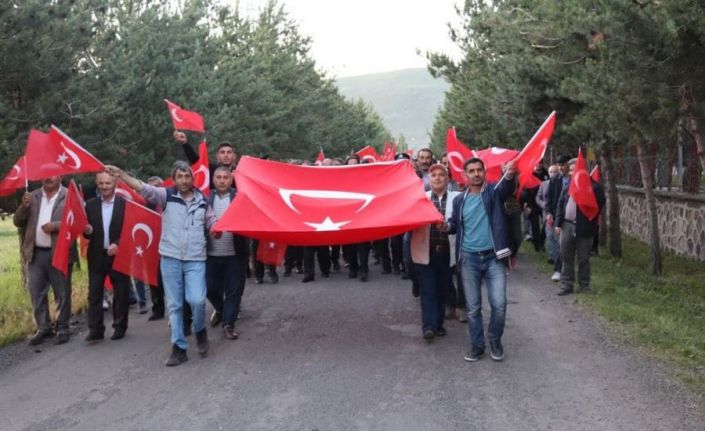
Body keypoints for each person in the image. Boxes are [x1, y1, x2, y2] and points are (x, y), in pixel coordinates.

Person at [106, 161, 216, 366]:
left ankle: (200, 331)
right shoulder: (166, 196)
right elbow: (142, 187)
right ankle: (179, 347)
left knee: (197, 300)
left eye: (187, 176)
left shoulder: (203, 200)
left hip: (195, 259)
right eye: (180, 177)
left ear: (192, 178)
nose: (184, 180)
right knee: (174, 305)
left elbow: (211, 221)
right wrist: (121, 174)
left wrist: (216, 229)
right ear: (173, 179)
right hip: (170, 257)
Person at [447, 157, 516, 362]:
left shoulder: (493, 193)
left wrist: (510, 174)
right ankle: (477, 346)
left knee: (499, 304)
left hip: (493, 258)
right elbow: (454, 224)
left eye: (479, 170)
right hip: (469, 259)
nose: (476, 174)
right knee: (473, 307)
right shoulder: (460, 200)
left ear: (484, 172)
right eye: (472, 171)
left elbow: (507, 187)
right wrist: (446, 227)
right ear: (465, 175)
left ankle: (495, 339)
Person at [13, 176, 76, 345]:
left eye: (52, 175)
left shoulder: (70, 196)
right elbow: (18, 222)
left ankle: (63, 328)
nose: (48, 178)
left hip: (60, 253)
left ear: (60, 176)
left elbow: (77, 223)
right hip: (35, 253)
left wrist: (56, 226)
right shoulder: (32, 196)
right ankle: (44, 327)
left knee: (62, 293)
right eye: (45, 175)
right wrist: (23, 207)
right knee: (36, 293)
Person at [410, 164, 460, 340]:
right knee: (428, 289)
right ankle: (428, 326)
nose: (437, 177)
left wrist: (449, 226)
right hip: (426, 251)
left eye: (441, 174)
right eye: (433, 175)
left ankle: (438, 324)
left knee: (442, 289)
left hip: (447, 252)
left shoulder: (457, 198)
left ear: (448, 179)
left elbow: (462, 223)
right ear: (428, 180)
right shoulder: (420, 199)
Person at [83, 172, 130, 342]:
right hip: (96, 254)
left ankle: (120, 326)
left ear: (115, 184)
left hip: (118, 255)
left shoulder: (124, 204)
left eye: (107, 183)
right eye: (101, 183)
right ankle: (95, 329)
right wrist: (87, 231)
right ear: (97, 183)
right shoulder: (89, 205)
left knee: (121, 292)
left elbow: (129, 229)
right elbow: (86, 232)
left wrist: (118, 244)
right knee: (94, 293)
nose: (104, 187)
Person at [206, 166, 249, 339]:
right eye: (219, 177)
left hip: (235, 253)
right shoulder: (204, 198)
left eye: (226, 177)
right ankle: (221, 310)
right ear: (213, 179)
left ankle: (228, 325)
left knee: (234, 291)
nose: (222, 180)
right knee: (208, 288)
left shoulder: (240, 197)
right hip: (210, 253)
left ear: (231, 180)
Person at [555, 158, 606, 295]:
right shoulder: (568, 186)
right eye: (570, 170)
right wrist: (558, 223)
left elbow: (600, 203)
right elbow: (560, 204)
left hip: (584, 228)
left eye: (574, 170)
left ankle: (584, 285)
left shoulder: (594, 187)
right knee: (566, 256)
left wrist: (587, 191)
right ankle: (567, 285)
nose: (572, 173)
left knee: (583, 258)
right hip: (567, 225)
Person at [545, 154, 572, 282]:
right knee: (559, 244)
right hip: (558, 215)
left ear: (569, 164)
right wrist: (549, 212)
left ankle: (567, 270)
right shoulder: (555, 180)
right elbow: (548, 198)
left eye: (563, 165)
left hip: (572, 216)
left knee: (567, 245)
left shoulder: (574, 178)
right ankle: (558, 270)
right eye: (559, 165)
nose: (561, 168)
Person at [536, 165, 560, 265]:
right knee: (549, 236)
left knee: (557, 237)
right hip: (547, 214)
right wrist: (543, 205)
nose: (552, 174)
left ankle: (559, 257)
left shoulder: (561, 183)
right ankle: (552, 256)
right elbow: (538, 197)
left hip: (558, 214)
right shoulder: (544, 184)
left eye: (554, 172)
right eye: (550, 172)